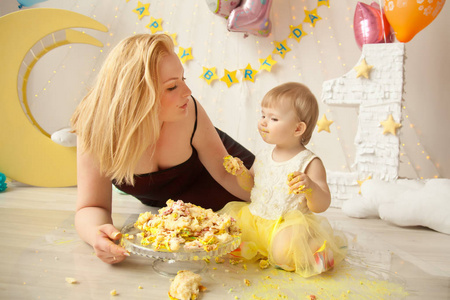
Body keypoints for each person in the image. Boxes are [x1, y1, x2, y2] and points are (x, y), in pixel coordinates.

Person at [70, 33, 254, 264]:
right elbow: (90, 206)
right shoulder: (94, 126)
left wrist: (272, 196)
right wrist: (98, 233)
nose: (187, 91)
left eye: (183, 79)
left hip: (226, 180)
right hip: (170, 206)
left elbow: (228, 174)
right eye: (172, 87)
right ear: (137, 95)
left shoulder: (188, 111)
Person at [222, 82, 347, 277]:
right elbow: (250, 187)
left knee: (284, 255)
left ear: (298, 129)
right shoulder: (263, 155)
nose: (263, 122)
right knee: (228, 237)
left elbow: (322, 204)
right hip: (256, 217)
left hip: (288, 224)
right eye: (263, 115)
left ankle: (315, 249)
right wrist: (241, 173)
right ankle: (258, 247)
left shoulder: (308, 162)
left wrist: (310, 187)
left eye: (273, 118)